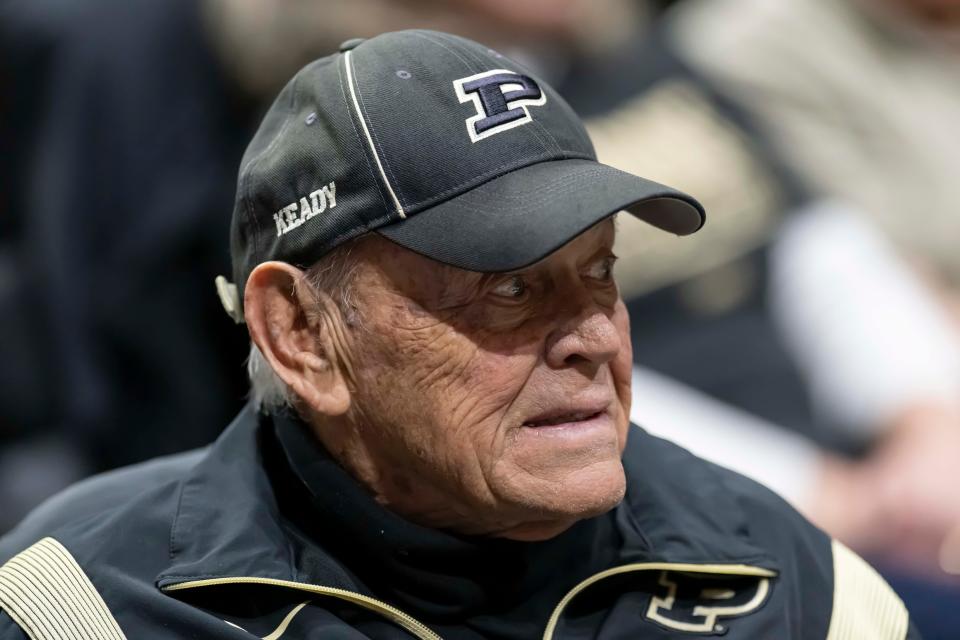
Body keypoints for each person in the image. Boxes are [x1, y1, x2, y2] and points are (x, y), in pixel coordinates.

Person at [0, 31, 918, 639]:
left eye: (600, 270)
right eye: (511, 288)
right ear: (301, 334)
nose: (592, 336)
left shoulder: (795, 590)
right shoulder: (83, 609)